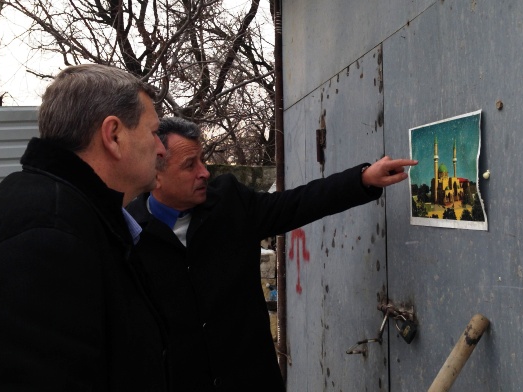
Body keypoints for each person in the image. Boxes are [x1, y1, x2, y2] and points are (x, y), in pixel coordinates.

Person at [126, 116, 417, 391]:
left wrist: (363, 179)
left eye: (202, 159)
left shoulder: (229, 202)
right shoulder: (127, 235)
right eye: (190, 165)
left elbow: (296, 204)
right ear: (157, 174)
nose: (204, 171)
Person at [0, 64, 169, 391]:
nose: (161, 148)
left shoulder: (58, 209)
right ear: (113, 135)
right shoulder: (49, 236)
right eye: (153, 132)